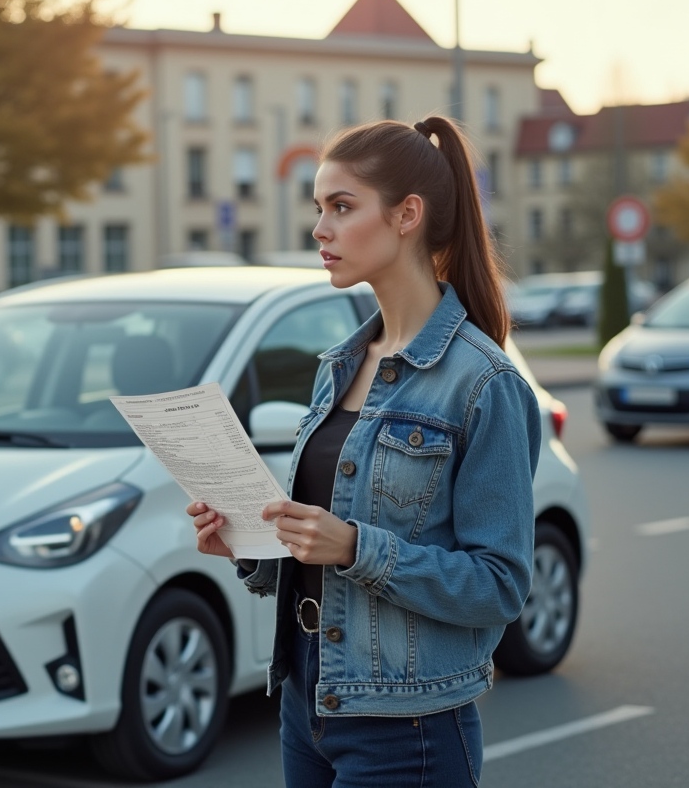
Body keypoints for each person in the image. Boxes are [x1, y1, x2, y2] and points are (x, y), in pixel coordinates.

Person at [187, 116, 541, 787]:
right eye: (318, 209)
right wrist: (247, 545)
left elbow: (500, 585)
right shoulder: (341, 365)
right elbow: (318, 548)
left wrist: (355, 547)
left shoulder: (483, 384)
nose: (320, 230)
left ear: (408, 215)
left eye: (341, 208)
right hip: (308, 699)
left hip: (409, 726)